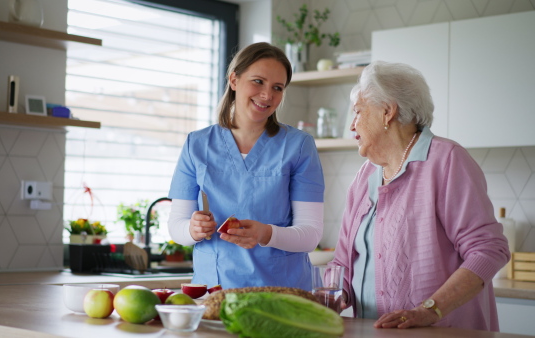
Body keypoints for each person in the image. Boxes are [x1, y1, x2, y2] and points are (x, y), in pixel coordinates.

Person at [330, 61, 510, 331]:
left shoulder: (446, 160)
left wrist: (431, 310)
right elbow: (342, 262)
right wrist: (332, 296)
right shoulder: (363, 177)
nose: (352, 126)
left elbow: (488, 250)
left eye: (358, 112)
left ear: (387, 112)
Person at [167, 42, 325, 291]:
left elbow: (310, 234)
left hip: (281, 294)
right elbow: (177, 226)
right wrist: (193, 228)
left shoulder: (298, 146)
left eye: (277, 87)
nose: (267, 95)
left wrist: (266, 234)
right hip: (214, 292)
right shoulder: (196, 145)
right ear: (234, 80)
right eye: (258, 81)